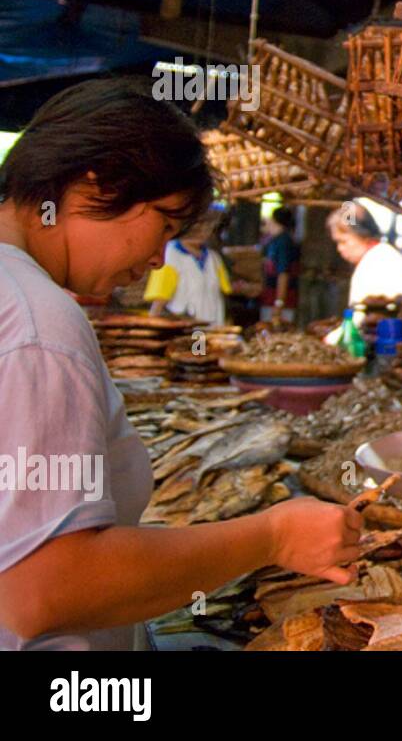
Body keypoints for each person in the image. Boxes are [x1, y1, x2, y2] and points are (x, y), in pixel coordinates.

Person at [0, 79, 360, 650]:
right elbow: (44, 584)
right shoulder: (39, 324)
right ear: (101, 182)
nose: (157, 257)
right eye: (164, 224)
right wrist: (272, 535)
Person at [327, 203, 402, 338]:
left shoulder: (379, 261)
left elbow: (361, 321)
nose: (339, 248)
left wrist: (330, 340)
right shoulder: (376, 256)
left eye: (343, 241)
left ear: (363, 235)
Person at [143, 208, 232, 325]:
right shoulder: (170, 255)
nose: (201, 230)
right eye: (196, 225)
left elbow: (223, 292)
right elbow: (160, 298)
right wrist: (152, 325)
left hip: (213, 328)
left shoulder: (213, 258)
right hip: (186, 330)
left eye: (206, 225)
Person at [259, 206, 300, 325]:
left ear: (274, 220)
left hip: (279, 300)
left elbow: (283, 273)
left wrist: (279, 303)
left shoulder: (283, 242)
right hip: (270, 298)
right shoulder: (276, 240)